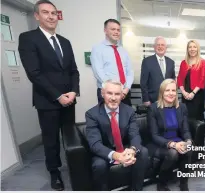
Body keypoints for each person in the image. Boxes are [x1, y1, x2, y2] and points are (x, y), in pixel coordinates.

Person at [18, 0, 80, 190]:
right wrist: (57, 95)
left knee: (70, 137)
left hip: (69, 100)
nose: (51, 16)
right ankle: (55, 173)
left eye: (54, 13)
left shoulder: (65, 42)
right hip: (47, 101)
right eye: (46, 13)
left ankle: (74, 168)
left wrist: (73, 91)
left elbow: (73, 71)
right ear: (37, 16)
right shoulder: (28, 38)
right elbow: (34, 73)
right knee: (51, 140)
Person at [85, 80, 148, 191]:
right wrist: (116, 156)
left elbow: (134, 134)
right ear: (102, 93)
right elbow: (95, 144)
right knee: (99, 165)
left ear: (122, 95)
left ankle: (137, 189)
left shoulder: (129, 111)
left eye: (117, 94)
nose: (113, 98)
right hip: (105, 150)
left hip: (124, 147)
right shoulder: (92, 114)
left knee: (143, 152)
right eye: (110, 93)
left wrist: (132, 150)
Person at [148, 79, 192, 191]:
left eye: (173, 90)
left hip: (177, 140)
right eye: (167, 90)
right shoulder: (154, 108)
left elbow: (185, 130)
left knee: (188, 149)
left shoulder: (182, 107)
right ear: (162, 92)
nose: (171, 93)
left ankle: (183, 183)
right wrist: (173, 144)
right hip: (159, 143)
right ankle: (161, 183)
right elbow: (154, 135)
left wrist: (188, 141)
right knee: (173, 153)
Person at [91, 19, 134, 106]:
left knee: (125, 118)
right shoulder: (97, 49)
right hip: (108, 93)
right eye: (113, 29)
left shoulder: (123, 51)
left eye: (118, 30)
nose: (116, 32)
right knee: (108, 119)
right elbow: (98, 72)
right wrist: (114, 90)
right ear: (105, 30)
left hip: (124, 93)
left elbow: (130, 72)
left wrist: (126, 89)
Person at [177, 40, 205, 121]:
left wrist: (193, 93)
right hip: (185, 96)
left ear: (197, 49)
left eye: (194, 47)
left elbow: (203, 79)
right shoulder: (183, 63)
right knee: (185, 118)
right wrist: (183, 92)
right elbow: (179, 78)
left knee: (196, 119)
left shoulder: (203, 62)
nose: (192, 49)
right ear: (187, 49)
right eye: (190, 47)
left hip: (197, 96)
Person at [140, 36, 176, 106]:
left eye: (162, 45)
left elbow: (173, 80)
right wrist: (146, 99)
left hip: (168, 100)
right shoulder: (147, 61)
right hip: (152, 101)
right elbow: (143, 83)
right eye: (158, 45)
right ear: (154, 47)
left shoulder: (171, 62)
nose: (160, 47)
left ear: (166, 48)